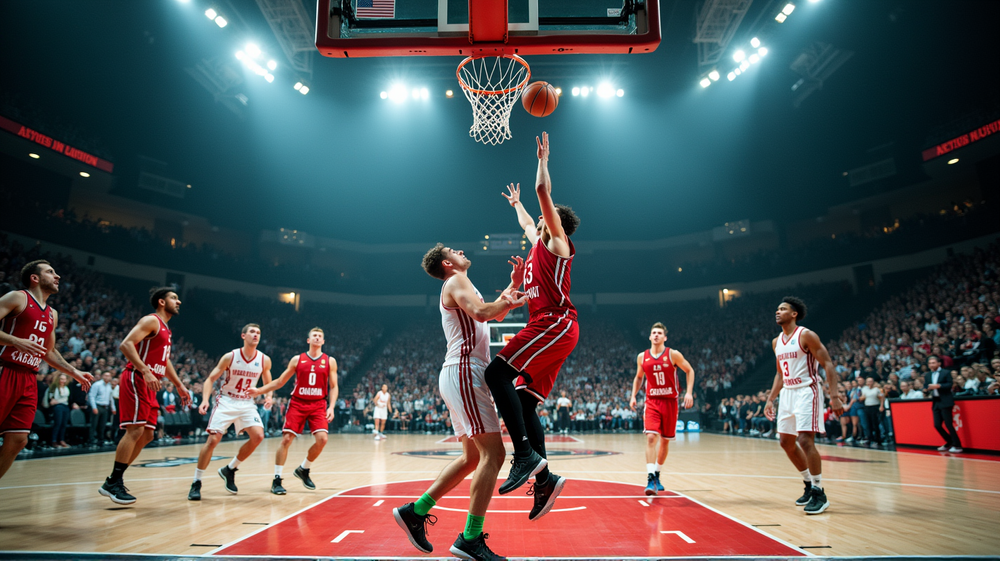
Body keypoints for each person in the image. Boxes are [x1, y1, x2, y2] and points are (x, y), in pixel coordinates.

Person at [393, 243, 526, 560]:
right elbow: (483, 312)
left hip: (460, 373)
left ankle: (416, 511)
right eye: (453, 251)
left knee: (471, 458)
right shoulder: (455, 282)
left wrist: (514, 287)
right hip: (466, 370)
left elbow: (485, 315)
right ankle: (470, 537)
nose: (461, 251)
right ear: (447, 264)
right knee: (494, 455)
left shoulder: (461, 283)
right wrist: (506, 298)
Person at [484, 132, 581, 519]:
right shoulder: (537, 241)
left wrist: (542, 159)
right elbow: (529, 220)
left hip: (554, 324)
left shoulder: (558, 243)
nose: (538, 219)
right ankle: (544, 481)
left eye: (545, 215)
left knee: (495, 374)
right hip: (551, 328)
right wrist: (518, 204)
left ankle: (523, 456)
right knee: (524, 404)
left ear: (556, 222)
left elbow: (543, 191)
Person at [0, 260, 93, 478]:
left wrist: (73, 372)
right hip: (6, 370)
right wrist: (14, 340)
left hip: (29, 378)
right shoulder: (17, 297)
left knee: (18, 439)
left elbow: (48, 352)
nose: (57, 276)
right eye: (50, 272)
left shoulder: (52, 313)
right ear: (35, 278)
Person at [100, 287, 190, 504]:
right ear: (161, 301)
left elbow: (164, 361)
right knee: (135, 430)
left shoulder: (166, 329)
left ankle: (114, 479)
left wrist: (178, 384)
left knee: (148, 435)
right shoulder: (151, 321)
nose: (178, 302)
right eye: (174, 298)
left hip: (152, 383)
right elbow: (126, 344)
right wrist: (146, 370)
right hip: (136, 377)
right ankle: (114, 481)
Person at [764, 296, 842, 515]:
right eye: (777, 309)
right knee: (785, 442)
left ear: (794, 313)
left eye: (782, 309)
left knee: (805, 440)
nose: (777, 312)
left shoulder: (806, 335)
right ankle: (808, 484)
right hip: (787, 392)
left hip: (808, 390)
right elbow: (780, 374)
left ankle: (819, 492)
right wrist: (771, 399)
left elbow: (827, 363)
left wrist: (834, 396)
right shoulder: (776, 341)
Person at [248, 327, 338, 495]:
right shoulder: (298, 359)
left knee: (322, 439)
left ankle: (304, 468)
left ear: (323, 341)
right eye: (314, 336)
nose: (317, 338)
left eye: (320, 336)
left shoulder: (330, 361)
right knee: (287, 439)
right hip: (298, 402)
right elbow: (281, 381)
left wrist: (331, 406)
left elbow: (334, 386)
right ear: (308, 340)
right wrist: (260, 390)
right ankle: (277, 479)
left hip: (318, 404)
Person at [188, 323, 272, 500]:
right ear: (243, 336)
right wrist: (204, 400)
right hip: (227, 400)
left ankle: (230, 469)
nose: (256, 335)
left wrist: (268, 396)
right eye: (252, 332)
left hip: (247, 403)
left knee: (258, 436)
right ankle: (197, 482)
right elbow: (210, 379)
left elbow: (268, 381)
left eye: (258, 332)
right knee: (213, 440)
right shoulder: (231, 356)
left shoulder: (264, 359)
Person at [628, 322, 694, 495]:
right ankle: (650, 478)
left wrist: (689, 393)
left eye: (659, 333)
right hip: (652, 401)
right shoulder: (642, 357)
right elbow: (638, 377)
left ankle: (657, 474)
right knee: (651, 437)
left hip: (670, 402)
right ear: (650, 336)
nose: (656, 335)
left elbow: (690, 370)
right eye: (653, 332)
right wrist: (633, 395)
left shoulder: (673, 354)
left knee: (665, 441)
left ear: (665, 337)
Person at [923, 355, 961, 453]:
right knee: (937, 425)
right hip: (936, 401)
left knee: (948, 424)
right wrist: (925, 390)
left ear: (939, 363)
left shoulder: (946, 372)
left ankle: (957, 446)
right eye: (929, 363)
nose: (931, 365)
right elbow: (926, 386)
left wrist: (938, 386)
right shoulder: (927, 375)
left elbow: (949, 385)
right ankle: (949, 442)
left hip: (945, 400)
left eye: (933, 363)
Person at [45, 373, 73, 448]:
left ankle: (61, 440)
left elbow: (65, 399)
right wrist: (57, 401)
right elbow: (52, 400)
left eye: (64, 379)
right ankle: (54, 440)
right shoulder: (54, 387)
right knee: (58, 423)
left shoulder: (66, 388)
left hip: (65, 406)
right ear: (58, 379)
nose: (63, 381)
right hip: (57, 407)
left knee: (64, 424)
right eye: (61, 379)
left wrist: (58, 400)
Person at [88, 370, 116, 445]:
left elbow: (111, 398)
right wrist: (94, 407)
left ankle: (101, 440)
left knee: (102, 425)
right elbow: (91, 396)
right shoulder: (97, 385)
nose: (107, 377)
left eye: (108, 376)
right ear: (102, 376)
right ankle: (91, 440)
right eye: (105, 375)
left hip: (105, 407)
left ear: (111, 377)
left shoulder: (109, 386)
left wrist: (113, 408)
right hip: (97, 405)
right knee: (94, 424)